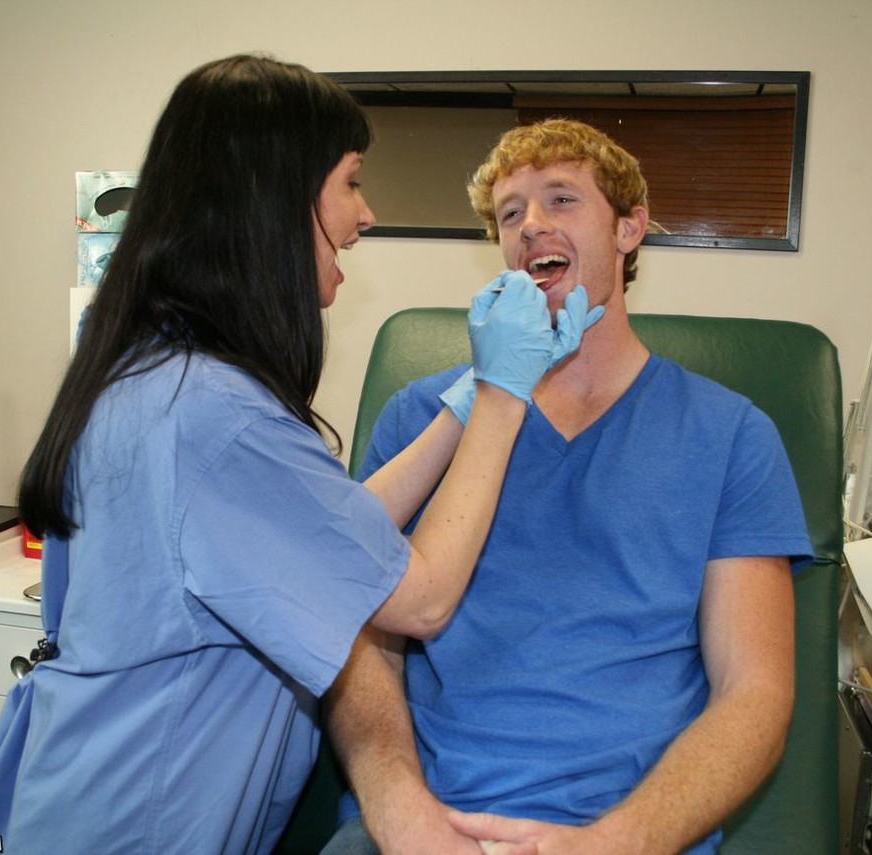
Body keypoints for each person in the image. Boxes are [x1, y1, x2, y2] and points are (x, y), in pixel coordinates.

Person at [0, 57, 597, 854]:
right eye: (351, 182)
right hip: (138, 821)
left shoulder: (157, 371)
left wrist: (467, 396)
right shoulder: (215, 417)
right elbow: (420, 598)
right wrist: (503, 395)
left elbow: (329, 538)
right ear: (277, 198)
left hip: (90, 784)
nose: (366, 213)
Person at [321, 118, 814, 855]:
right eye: (509, 213)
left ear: (629, 229)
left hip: (629, 833)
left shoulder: (730, 435)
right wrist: (400, 809)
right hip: (430, 824)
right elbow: (360, 642)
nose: (530, 225)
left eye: (561, 199)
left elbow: (755, 692)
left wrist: (619, 840)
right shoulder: (422, 420)